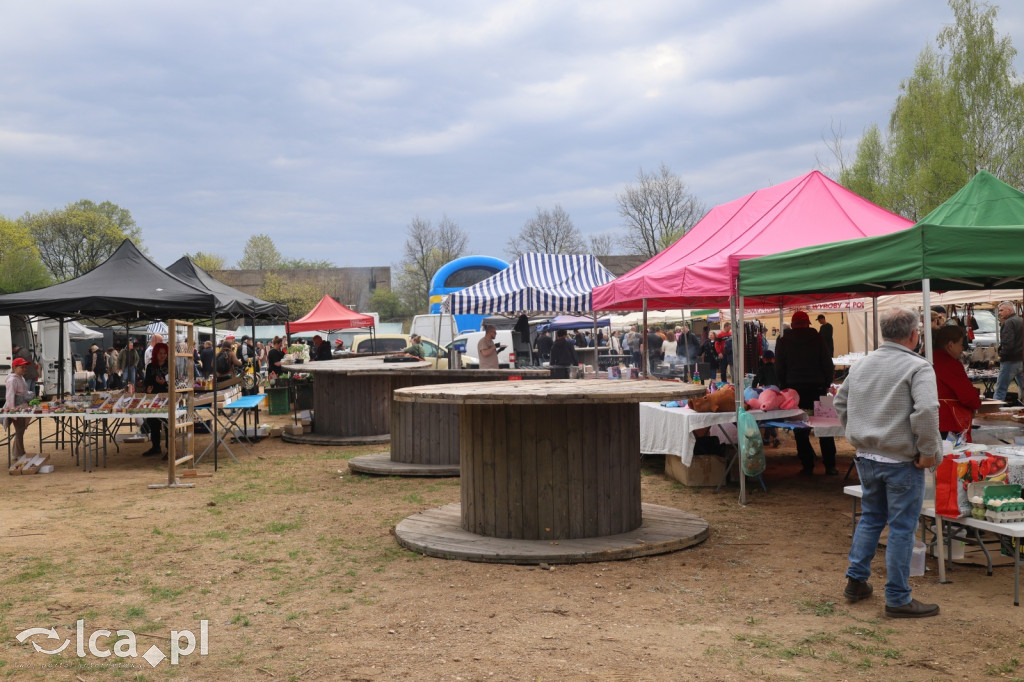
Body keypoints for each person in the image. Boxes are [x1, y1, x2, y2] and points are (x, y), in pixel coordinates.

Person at [835, 306, 940, 618]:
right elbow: (926, 411)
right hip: (900, 459)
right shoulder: (918, 367)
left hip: (866, 455)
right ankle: (897, 597)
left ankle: (856, 582)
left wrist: (860, 431)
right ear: (913, 335)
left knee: (871, 518)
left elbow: (841, 402)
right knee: (902, 528)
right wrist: (928, 450)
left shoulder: (863, 364)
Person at [775, 311, 837, 475]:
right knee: (826, 426)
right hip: (819, 388)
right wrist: (826, 384)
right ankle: (830, 466)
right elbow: (828, 364)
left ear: (793, 324)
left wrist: (783, 386)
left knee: (800, 428)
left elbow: (779, 368)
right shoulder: (818, 339)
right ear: (808, 323)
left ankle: (807, 465)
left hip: (794, 390)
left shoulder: (783, 341)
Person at [933, 325, 982, 441]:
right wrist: (976, 400)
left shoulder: (928, 360)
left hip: (930, 421)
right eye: (960, 344)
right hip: (949, 423)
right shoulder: (950, 365)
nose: (961, 349)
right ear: (950, 345)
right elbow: (968, 397)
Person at [142, 342, 170, 457]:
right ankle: (156, 446)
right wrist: (148, 388)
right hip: (153, 398)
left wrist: (164, 383)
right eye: (160, 353)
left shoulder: (170, 366)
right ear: (155, 354)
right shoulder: (150, 366)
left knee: (167, 423)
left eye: (164, 353)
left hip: (167, 397)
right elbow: (147, 382)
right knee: (153, 422)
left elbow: (175, 383)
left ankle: (169, 449)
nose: (163, 356)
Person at [3, 357, 33, 460]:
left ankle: (18, 453)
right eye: (22, 367)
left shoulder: (21, 378)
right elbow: (10, 396)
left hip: (22, 407)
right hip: (16, 408)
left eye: (25, 367)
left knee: (21, 431)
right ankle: (19, 454)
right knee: (20, 431)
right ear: (14, 367)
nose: (24, 369)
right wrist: (12, 410)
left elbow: (24, 392)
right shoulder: (12, 380)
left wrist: (31, 395)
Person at [994, 301, 1023, 403]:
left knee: (1000, 390)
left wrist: (1001, 356)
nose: (999, 313)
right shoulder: (1021, 320)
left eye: (1001, 310)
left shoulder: (1008, 323)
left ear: (1009, 310)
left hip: (1010, 361)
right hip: (1021, 360)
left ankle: (995, 414)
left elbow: (1008, 344)